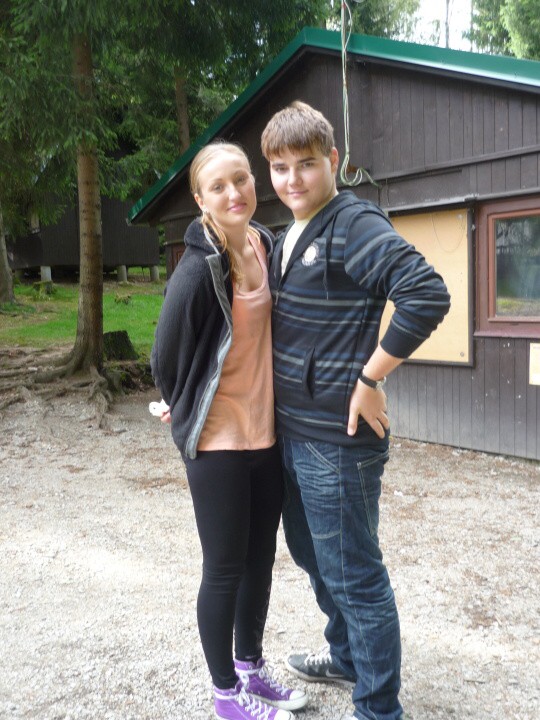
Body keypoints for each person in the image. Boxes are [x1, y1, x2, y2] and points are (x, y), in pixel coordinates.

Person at [260, 102, 451, 720]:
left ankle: (378, 708)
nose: (293, 179)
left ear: (333, 160)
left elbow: (426, 293)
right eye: (281, 168)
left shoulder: (351, 222)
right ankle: (346, 656)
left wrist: (371, 377)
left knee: (355, 576)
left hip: (337, 443)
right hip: (293, 433)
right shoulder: (289, 235)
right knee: (316, 559)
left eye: (306, 164)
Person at [150, 141, 308, 720]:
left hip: (265, 434)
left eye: (240, 179)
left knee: (260, 560)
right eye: (217, 186)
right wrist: (182, 403)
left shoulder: (265, 244)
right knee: (223, 568)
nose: (234, 192)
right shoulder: (199, 269)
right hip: (217, 442)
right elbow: (164, 356)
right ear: (200, 200)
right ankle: (225, 696)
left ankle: (249, 668)